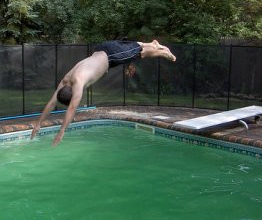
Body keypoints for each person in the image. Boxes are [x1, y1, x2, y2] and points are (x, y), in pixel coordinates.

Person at [31, 39, 176, 146]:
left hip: (112, 55)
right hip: (102, 49)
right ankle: (153, 44)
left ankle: (161, 53)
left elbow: (72, 109)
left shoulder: (78, 83)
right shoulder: (65, 80)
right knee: (136, 46)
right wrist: (38, 124)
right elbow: (51, 103)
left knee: (140, 54)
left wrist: (61, 132)